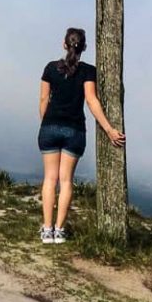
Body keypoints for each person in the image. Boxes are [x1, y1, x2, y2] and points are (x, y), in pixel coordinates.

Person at [38, 27, 126, 244]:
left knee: (50, 179)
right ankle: (59, 231)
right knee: (66, 181)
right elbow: (91, 100)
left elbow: (43, 101)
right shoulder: (88, 71)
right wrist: (109, 128)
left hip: (49, 127)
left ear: (64, 44)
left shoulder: (50, 68)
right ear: (84, 47)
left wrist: (47, 123)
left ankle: (46, 230)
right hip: (75, 130)